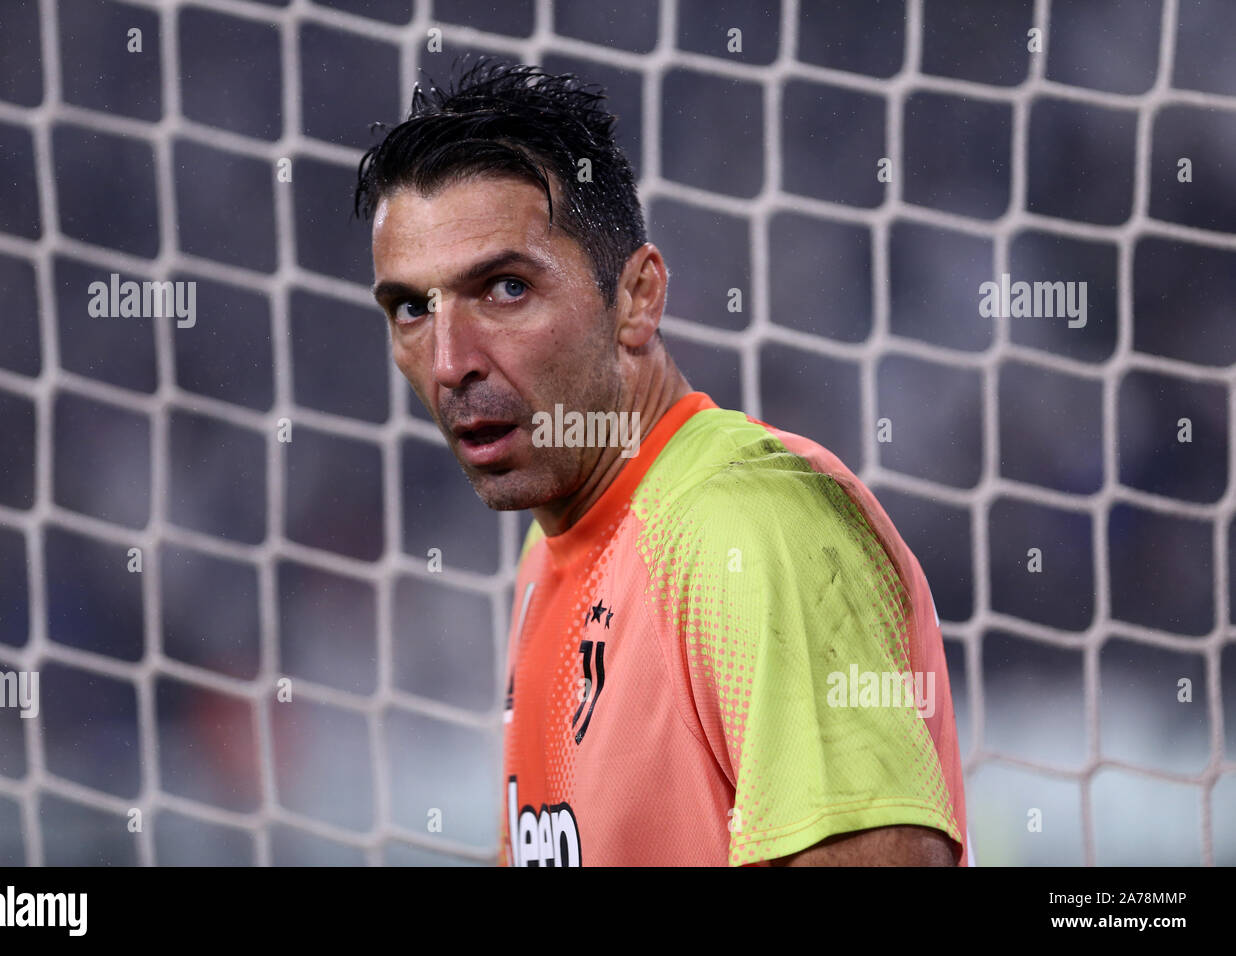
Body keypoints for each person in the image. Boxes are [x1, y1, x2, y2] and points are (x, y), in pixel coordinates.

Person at [356, 57, 968, 866]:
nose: (448, 361)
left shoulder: (744, 528)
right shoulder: (554, 549)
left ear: (637, 297)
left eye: (505, 288)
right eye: (411, 308)